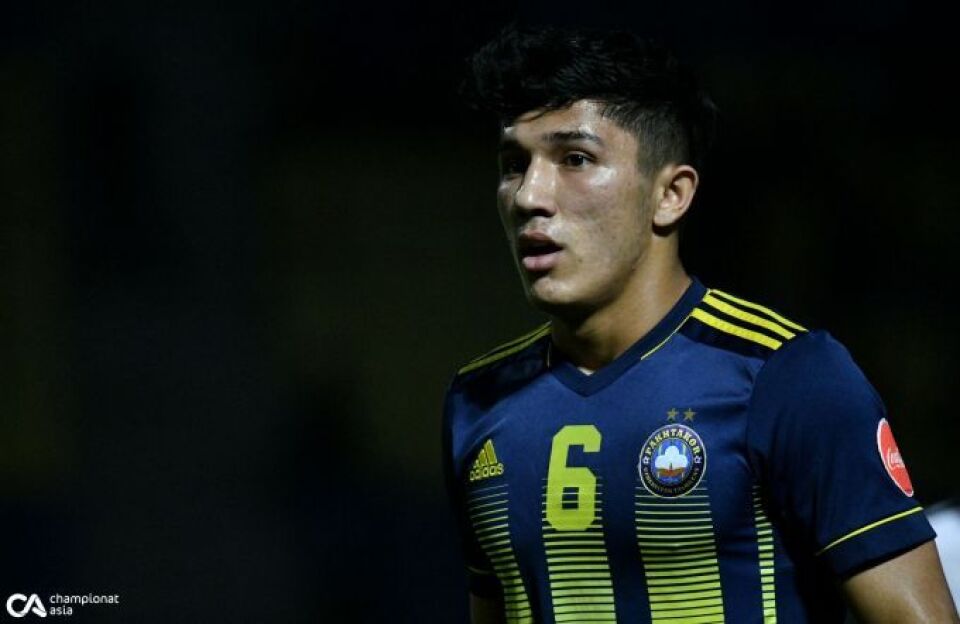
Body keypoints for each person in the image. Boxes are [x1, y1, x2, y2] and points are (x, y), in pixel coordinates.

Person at [441, 24, 958, 624]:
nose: (529, 195)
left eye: (575, 159)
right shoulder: (477, 401)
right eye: (514, 164)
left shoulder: (787, 377)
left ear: (672, 194)